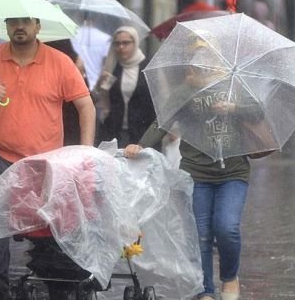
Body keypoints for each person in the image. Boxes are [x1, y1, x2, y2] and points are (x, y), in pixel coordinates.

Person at [0, 16, 96, 300]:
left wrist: (85, 151)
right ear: (6, 27)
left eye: (25, 23)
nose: (18, 27)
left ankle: (55, 278)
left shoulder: (59, 62)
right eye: (12, 23)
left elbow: (86, 106)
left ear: (37, 27)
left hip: (44, 162)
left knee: (48, 221)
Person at [124, 34, 268, 300]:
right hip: (196, 172)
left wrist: (233, 107)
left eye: (209, 56)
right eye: (198, 57)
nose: (204, 63)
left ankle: (229, 278)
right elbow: (163, 122)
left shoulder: (234, 83)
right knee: (200, 235)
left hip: (233, 172)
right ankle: (204, 289)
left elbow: (258, 111)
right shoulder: (186, 90)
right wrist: (141, 146)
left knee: (227, 227)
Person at [95, 26, 155, 147]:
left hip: (141, 132)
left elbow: (160, 97)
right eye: (117, 43)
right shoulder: (112, 67)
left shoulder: (149, 68)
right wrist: (100, 84)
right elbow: (101, 99)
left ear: (135, 42)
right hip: (114, 131)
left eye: (126, 43)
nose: (121, 47)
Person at [71, 16, 112, 91]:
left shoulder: (71, 35)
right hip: (97, 86)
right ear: (97, 18)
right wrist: (105, 90)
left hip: (77, 84)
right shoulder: (106, 38)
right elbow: (108, 67)